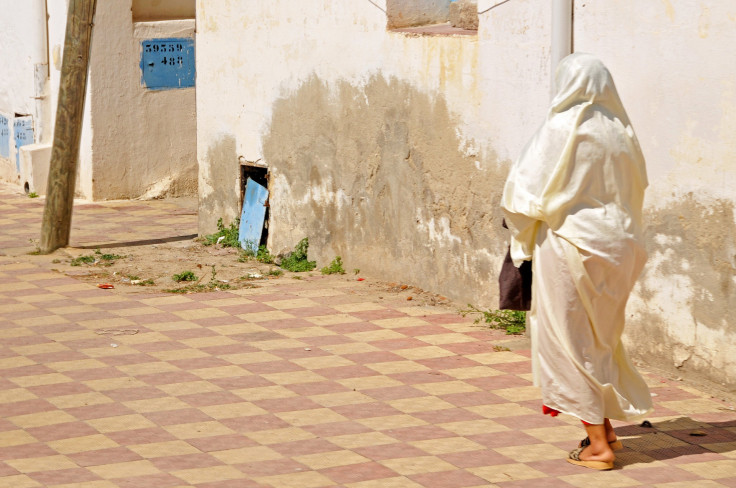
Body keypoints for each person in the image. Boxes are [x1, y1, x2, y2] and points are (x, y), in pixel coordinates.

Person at [501, 53, 653, 470]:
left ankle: (599, 447)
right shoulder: (622, 133)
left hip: (571, 245)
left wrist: (521, 240)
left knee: (567, 340)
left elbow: (520, 196)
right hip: (621, 246)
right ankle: (603, 429)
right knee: (601, 338)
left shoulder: (561, 128)